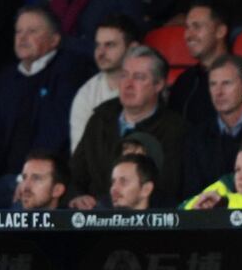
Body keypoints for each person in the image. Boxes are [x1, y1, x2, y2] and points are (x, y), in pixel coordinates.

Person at [0, 6, 94, 207]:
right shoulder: (6, 79)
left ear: (55, 40)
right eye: (19, 31)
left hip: (45, 183)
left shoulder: (68, 72)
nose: (23, 37)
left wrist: (26, 180)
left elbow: (54, 135)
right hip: (4, 181)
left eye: (32, 31)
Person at [68, 45, 186, 209]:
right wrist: (77, 196)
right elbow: (75, 173)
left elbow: (171, 187)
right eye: (124, 76)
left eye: (138, 77)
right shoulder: (100, 118)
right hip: (97, 219)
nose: (128, 84)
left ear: (159, 85)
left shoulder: (175, 128)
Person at [168, 0, 242, 126]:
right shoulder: (185, 82)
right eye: (187, 27)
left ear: (220, 31)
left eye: (196, 26)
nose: (188, 35)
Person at [181, 54, 242, 199]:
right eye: (213, 84)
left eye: (226, 83)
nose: (218, 92)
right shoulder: (197, 136)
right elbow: (191, 193)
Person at [69, 14, 139, 153]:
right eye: (98, 45)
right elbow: (79, 153)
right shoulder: (86, 94)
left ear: (132, 48)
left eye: (110, 45)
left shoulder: (146, 87)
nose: (101, 52)